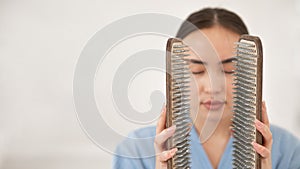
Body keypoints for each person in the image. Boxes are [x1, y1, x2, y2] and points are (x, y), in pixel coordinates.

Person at [112, 8, 300, 169]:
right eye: (198, 70)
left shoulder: (287, 151)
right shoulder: (135, 152)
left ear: (249, 73)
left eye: (228, 70)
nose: (213, 87)